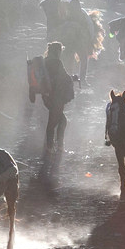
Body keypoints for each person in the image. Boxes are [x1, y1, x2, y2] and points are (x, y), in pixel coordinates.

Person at [40, 42, 76, 174]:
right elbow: (64, 77)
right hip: (56, 97)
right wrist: (73, 78)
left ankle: (57, 146)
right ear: (58, 51)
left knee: (60, 120)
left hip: (47, 96)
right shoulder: (56, 62)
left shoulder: (45, 61)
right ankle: (51, 147)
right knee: (54, 122)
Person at [60, 0, 102, 86]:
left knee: (69, 60)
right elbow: (90, 25)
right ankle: (82, 80)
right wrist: (90, 40)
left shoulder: (66, 14)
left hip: (70, 42)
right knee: (84, 59)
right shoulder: (83, 13)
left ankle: (69, 79)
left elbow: (62, 28)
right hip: (81, 42)